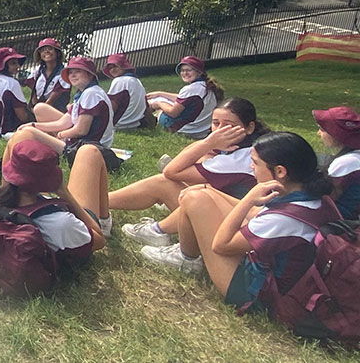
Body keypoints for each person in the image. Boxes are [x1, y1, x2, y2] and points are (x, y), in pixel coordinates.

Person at [139, 132, 339, 315]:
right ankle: (179, 248)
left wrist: (248, 198)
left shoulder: (285, 219)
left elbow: (222, 245)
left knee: (195, 200)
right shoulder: (314, 198)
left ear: (279, 171)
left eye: (255, 163)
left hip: (256, 296)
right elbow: (255, 215)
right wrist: (210, 190)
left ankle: (186, 259)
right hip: (279, 280)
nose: (251, 167)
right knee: (199, 194)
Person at [114, 98, 270, 246]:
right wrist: (208, 145)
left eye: (228, 125)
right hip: (247, 219)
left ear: (249, 128)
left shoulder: (236, 159)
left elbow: (171, 171)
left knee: (163, 183)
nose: (219, 130)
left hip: (236, 229)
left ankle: (154, 229)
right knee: (200, 161)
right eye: (216, 123)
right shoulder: (254, 148)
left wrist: (208, 143)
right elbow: (190, 155)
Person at [0, 137, 107, 269]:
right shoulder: (61, 223)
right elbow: (99, 240)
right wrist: (67, 196)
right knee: (89, 152)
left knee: (20, 137)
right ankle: (106, 220)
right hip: (62, 237)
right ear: (51, 182)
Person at [21, 56, 120, 172]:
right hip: (81, 143)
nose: (73, 75)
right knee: (32, 126)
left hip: (87, 148)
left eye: (78, 71)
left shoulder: (91, 94)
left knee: (29, 133)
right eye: (70, 72)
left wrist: (61, 135)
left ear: (90, 75)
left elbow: (81, 130)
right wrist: (33, 125)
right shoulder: (84, 93)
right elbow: (62, 122)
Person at [147, 55, 223, 138]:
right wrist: (160, 93)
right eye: (182, 70)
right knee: (161, 99)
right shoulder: (209, 86)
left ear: (199, 72)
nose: (185, 73)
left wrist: (158, 104)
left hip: (185, 130)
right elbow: (184, 99)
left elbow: (173, 113)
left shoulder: (190, 89)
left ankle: (143, 122)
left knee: (157, 105)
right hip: (202, 131)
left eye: (188, 70)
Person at [316, 105, 360, 220]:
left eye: (322, 129)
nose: (318, 133)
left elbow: (326, 197)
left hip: (344, 222)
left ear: (335, 134)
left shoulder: (346, 163)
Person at [0, 46, 32, 133]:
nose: (18, 66)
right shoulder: (11, 83)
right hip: (5, 130)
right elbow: (22, 116)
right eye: (13, 63)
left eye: (17, 63)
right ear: (3, 65)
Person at [103, 53, 147, 130]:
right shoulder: (137, 81)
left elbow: (111, 107)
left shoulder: (119, 81)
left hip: (119, 124)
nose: (112, 70)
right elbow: (146, 106)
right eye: (110, 68)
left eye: (115, 66)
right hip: (135, 124)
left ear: (124, 67)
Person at [27, 38, 71, 110]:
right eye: (43, 50)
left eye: (50, 49)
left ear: (57, 53)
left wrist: (39, 110)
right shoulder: (38, 71)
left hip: (55, 109)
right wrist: (34, 104)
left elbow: (51, 101)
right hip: (38, 107)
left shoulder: (63, 73)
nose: (46, 51)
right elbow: (32, 87)